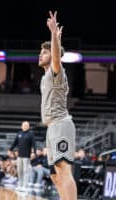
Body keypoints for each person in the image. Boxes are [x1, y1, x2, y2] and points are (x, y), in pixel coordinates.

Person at [38, 10, 77, 200]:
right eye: (40, 51)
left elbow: (55, 57)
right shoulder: (46, 76)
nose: (40, 54)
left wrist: (53, 34)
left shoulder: (57, 70)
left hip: (61, 124)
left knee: (64, 171)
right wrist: (55, 40)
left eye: (44, 52)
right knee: (55, 175)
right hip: (52, 127)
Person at [9, 121, 36, 192]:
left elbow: (33, 144)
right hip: (19, 156)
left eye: (26, 125)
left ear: (29, 126)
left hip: (26, 156)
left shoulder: (31, 134)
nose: (25, 126)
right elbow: (15, 143)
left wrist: (33, 152)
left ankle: (25, 186)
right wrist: (10, 149)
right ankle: (20, 185)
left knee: (25, 171)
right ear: (21, 126)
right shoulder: (19, 133)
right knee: (19, 170)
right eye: (23, 125)